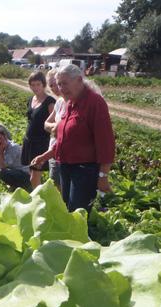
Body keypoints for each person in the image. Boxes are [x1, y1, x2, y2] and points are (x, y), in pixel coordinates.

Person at [31, 64, 115, 212]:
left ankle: (81, 235)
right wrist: (45, 156)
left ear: (79, 80)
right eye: (59, 84)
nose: (61, 88)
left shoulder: (95, 103)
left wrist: (103, 175)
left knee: (78, 211)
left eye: (65, 83)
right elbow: (65, 139)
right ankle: (70, 234)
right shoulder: (69, 103)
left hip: (84, 169)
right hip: (66, 166)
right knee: (67, 208)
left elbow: (106, 142)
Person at [21, 71, 55, 189]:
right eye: (32, 85)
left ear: (43, 85)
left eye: (38, 84)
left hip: (40, 144)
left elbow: (54, 123)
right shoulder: (31, 100)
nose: (35, 87)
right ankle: (37, 196)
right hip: (29, 141)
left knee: (34, 177)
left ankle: (37, 199)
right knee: (32, 174)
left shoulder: (49, 102)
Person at [43, 69, 67, 190]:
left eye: (57, 83)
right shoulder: (59, 102)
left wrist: (57, 127)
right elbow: (46, 124)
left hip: (64, 152)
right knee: (55, 185)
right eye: (51, 85)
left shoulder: (71, 102)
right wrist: (56, 127)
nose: (54, 88)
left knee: (62, 187)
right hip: (53, 150)